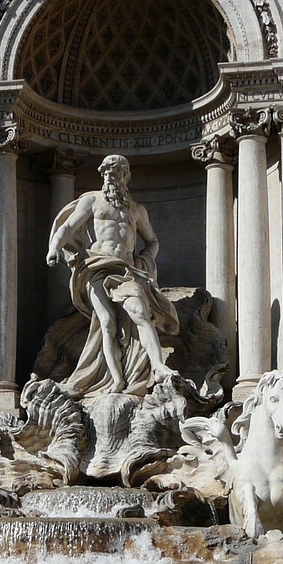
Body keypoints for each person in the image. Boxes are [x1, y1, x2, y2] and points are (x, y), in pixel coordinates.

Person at [45, 154, 179, 397]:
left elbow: (152, 241)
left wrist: (145, 259)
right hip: (96, 266)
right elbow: (68, 226)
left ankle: (159, 367)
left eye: (116, 172)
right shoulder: (92, 201)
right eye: (106, 172)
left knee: (140, 313)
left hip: (126, 269)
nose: (110, 176)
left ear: (125, 176)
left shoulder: (137, 210)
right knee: (106, 322)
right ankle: (116, 380)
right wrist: (54, 247)